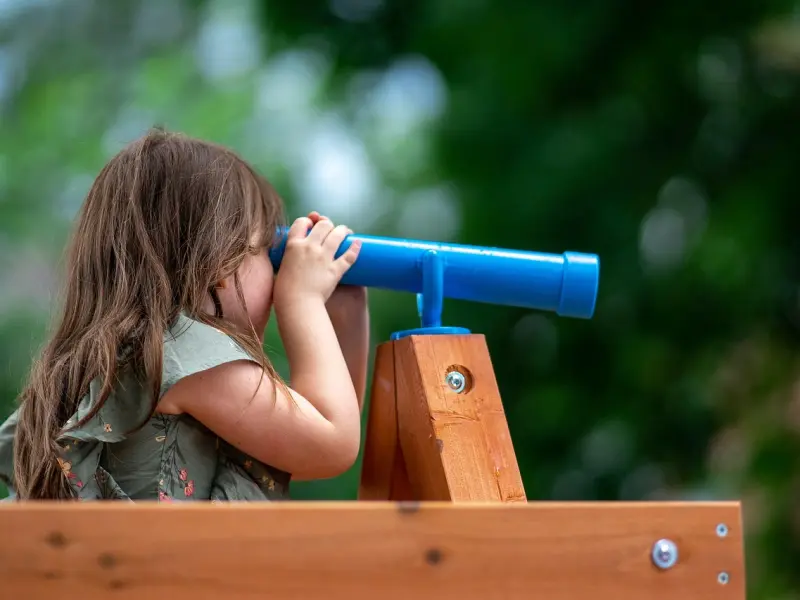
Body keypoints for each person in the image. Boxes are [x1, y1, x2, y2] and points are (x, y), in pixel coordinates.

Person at [0, 129, 369, 501]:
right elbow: (330, 444)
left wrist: (345, 315)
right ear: (221, 262)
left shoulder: (116, 356)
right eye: (266, 252)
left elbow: (299, 447)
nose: (277, 278)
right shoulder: (181, 352)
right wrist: (302, 300)